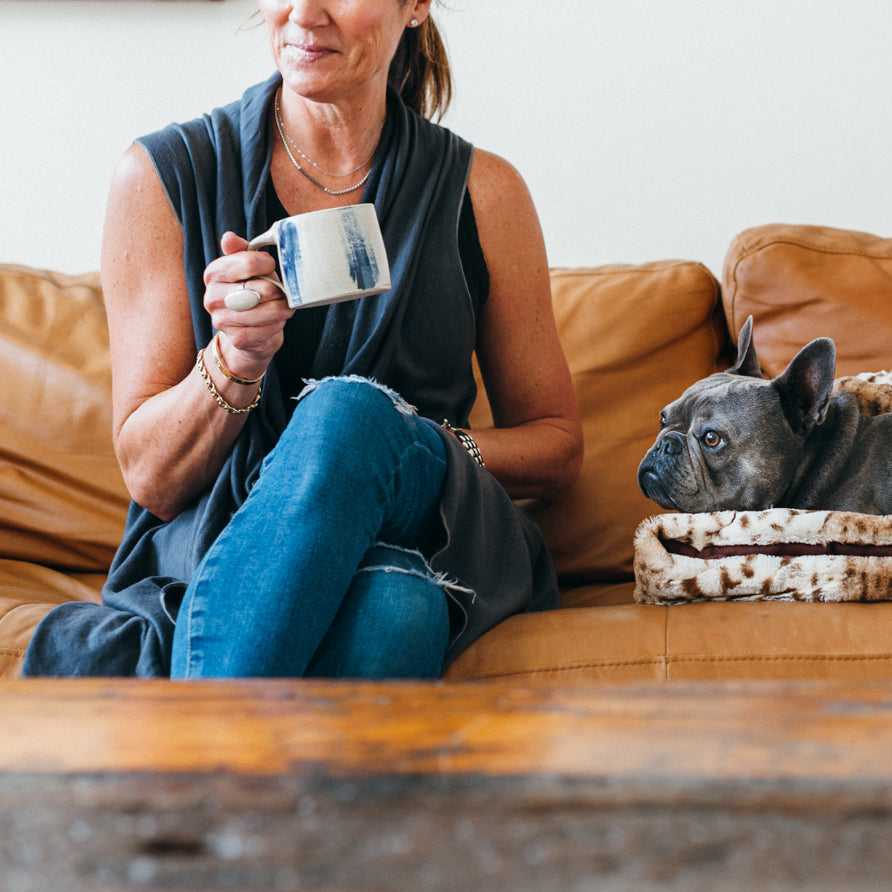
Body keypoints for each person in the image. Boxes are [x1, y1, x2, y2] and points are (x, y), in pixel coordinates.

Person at [22, 0, 583, 678]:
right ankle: (242, 770)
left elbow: (556, 446)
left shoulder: (483, 193)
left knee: (350, 415)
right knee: (395, 603)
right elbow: (152, 479)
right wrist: (234, 360)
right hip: (234, 550)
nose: (305, 12)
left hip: (427, 518)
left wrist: (404, 443)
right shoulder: (161, 176)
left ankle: (191, 753)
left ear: (415, 7)